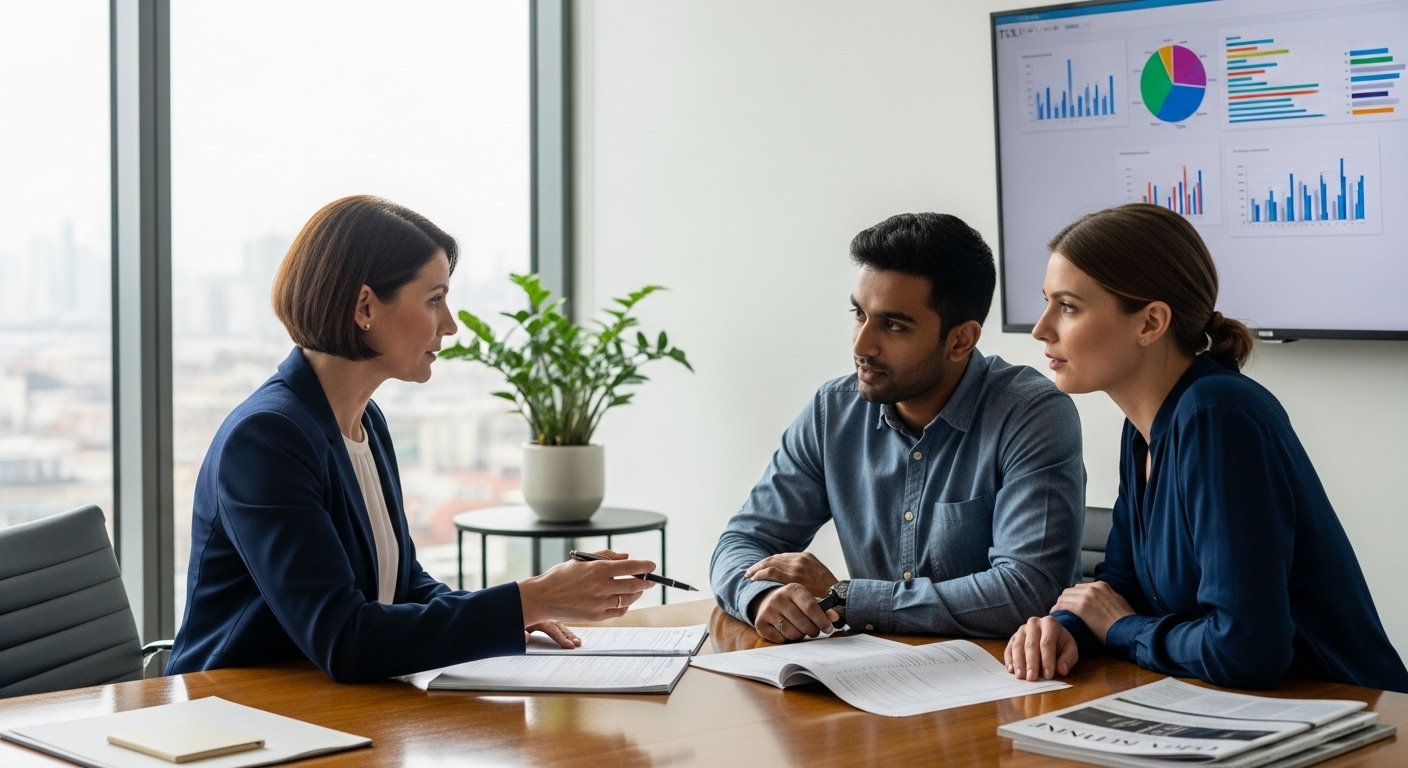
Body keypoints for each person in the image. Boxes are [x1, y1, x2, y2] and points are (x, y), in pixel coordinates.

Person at [168, 196, 656, 682]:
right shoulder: (268, 439)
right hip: (239, 718)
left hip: (330, 710)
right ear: (365, 306)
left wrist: (520, 611)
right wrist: (529, 601)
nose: (450, 324)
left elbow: (404, 588)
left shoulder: (366, 422)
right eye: (434, 299)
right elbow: (344, 638)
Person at [1007, 203, 1408, 693]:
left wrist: (1119, 629)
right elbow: (1119, 587)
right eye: (1047, 302)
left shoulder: (1216, 415)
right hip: (1247, 711)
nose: (1041, 328)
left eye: (1068, 306)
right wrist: (1064, 630)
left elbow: (1245, 649)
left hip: (1349, 719)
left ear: (1150, 323)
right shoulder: (1143, 430)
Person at [710, 212, 1085, 643]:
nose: (861, 345)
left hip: (1002, 683)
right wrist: (759, 596)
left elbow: (1026, 593)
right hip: (872, 681)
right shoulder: (834, 411)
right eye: (859, 314)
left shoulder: (1030, 414)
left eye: (892, 325)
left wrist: (848, 599)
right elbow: (741, 540)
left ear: (961, 340)